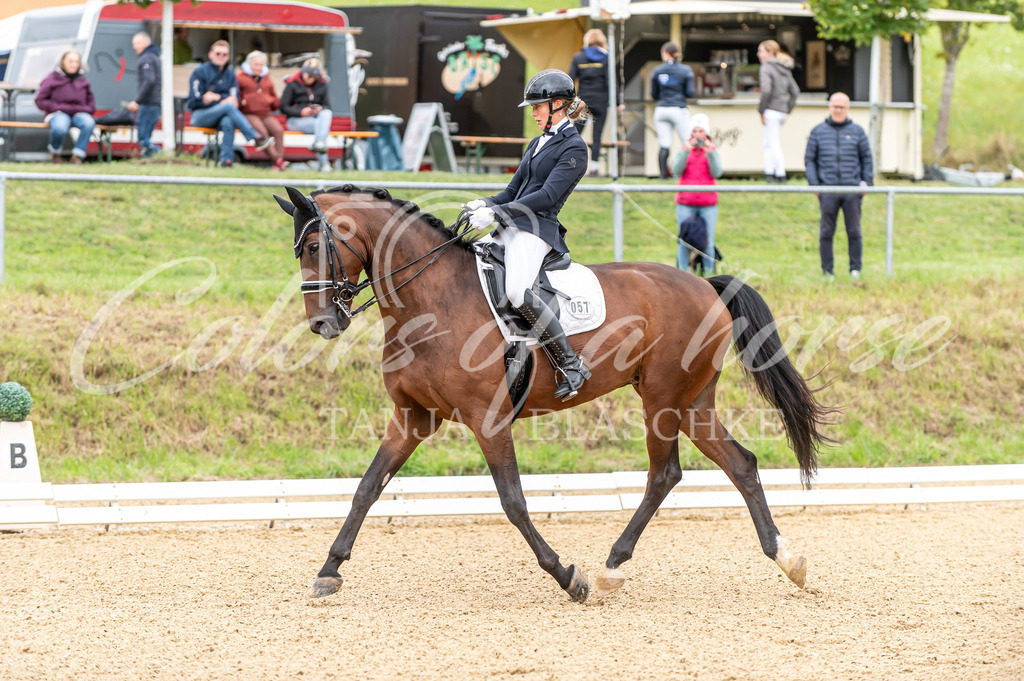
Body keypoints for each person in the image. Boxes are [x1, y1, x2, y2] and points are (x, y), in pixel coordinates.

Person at [464, 69, 591, 401]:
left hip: (538, 230)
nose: (533, 113)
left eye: (537, 107)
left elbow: (546, 197)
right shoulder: (538, 142)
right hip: (512, 225)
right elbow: (513, 190)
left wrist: (496, 213)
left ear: (558, 105)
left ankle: (570, 364)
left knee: (519, 290)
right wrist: (486, 202)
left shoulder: (575, 148)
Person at [804, 92, 874, 281]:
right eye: (835, 106)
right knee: (826, 232)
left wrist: (867, 183)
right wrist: (815, 186)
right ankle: (828, 272)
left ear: (847, 108)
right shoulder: (818, 131)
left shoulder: (858, 131)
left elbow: (867, 158)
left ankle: (855, 270)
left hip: (852, 190)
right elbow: (810, 160)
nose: (838, 110)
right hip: (827, 190)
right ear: (830, 107)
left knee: (854, 231)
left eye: (841, 107)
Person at [185, 40, 273, 167]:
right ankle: (256, 137)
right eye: (218, 53)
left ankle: (226, 161)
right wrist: (218, 100)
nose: (221, 57)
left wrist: (218, 98)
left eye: (224, 54)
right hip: (200, 115)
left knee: (228, 121)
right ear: (210, 54)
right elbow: (194, 101)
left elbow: (234, 95)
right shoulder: (200, 72)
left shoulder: (229, 73)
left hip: (222, 115)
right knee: (227, 106)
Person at [671, 113, 722, 274]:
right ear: (690, 134)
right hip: (686, 202)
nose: (698, 135)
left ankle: (709, 275)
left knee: (708, 242)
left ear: (706, 134)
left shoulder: (712, 151)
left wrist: (710, 153)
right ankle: (683, 274)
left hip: (708, 203)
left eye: (701, 132)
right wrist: (686, 150)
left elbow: (717, 172)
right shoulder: (684, 150)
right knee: (684, 241)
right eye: (695, 132)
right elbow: (676, 170)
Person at [568, 28, 623, 176]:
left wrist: (568, 99)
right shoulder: (607, 58)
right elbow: (612, 82)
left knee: (576, 134)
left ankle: (571, 164)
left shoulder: (578, 57)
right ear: (602, 41)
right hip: (601, 101)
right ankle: (594, 168)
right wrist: (618, 102)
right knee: (597, 136)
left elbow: (570, 79)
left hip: (583, 101)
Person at [34, 50, 96, 165]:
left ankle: (78, 155)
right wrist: (56, 107)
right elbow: (40, 100)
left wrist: (83, 109)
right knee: (60, 127)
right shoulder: (51, 79)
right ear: (62, 62)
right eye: (70, 61)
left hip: (78, 113)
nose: (73, 64)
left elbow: (91, 105)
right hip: (57, 113)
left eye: (76, 61)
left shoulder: (83, 81)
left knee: (88, 122)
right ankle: (55, 152)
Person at [757, 40, 800, 184]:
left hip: (771, 110)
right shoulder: (784, 68)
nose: (758, 54)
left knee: (773, 142)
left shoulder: (767, 67)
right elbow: (795, 91)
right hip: (781, 110)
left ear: (770, 53)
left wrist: (761, 110)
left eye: (761, 51)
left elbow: (766, 90)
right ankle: (769, 173)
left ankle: (780, 174)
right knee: (768, 142)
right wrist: (787, 110)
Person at [650, 42, 695, 179]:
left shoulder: (657, 70)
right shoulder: (686, 70)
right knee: (686, 142)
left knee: (665, 143)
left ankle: (663, 174)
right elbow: (690, 92)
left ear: (665, 54)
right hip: (678, 108)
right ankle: (685, 173)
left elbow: (654, 94)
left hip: (661, 109)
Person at [281, 58, 334, 173]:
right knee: (322, 128)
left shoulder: (322, 85)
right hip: (296, 120)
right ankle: (323, 163)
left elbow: (327, 106)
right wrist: (300, 112)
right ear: (303, 72)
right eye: (308, 75)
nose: (309, 78)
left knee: (326, 114)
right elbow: (283, 107)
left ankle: (319, 144)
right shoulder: (292, 83)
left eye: (313, 76)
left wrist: (320, 109)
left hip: (316, 119)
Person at [237, 50, 287, 171]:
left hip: (266, 113)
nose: (259, 68)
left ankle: (278, 164)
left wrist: (275, 101)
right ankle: (279, 161)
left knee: (278, 130)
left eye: (261, 65)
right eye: (256, 64)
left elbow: (274, 98)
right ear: (249, 64)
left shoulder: (266, 79)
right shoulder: (240, 78)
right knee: (262, 133)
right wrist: (241, 102)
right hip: (249, 114)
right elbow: (235, 96)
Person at [127, 32, 161, 158]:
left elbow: (149, 80)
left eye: (137, 43)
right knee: (145, 137)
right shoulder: (154, 57)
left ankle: (161, 155)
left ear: (147, 43)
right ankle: (149, 160)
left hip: (149, 103)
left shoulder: (147, 58)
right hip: (154, 104)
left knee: (142, 138)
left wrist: (137, 101)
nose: (134, 47)